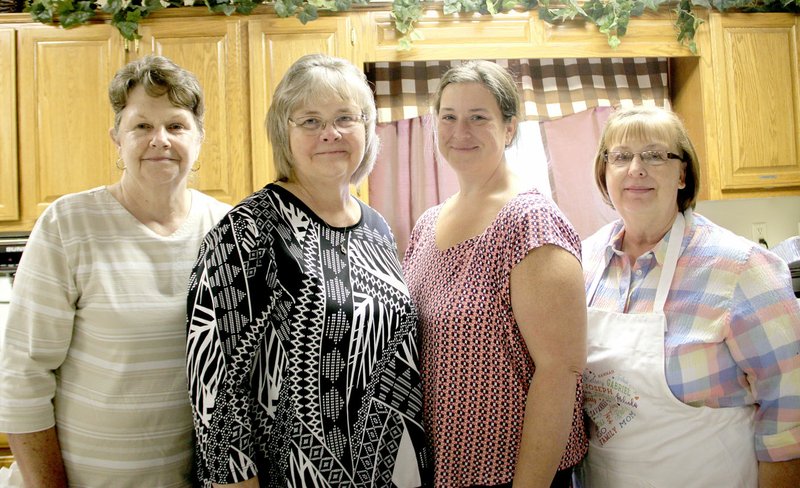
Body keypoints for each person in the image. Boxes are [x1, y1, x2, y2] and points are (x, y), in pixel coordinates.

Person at [186, 53, 431, 488]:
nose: (331, 134)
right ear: (285, 131)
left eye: (345, 118)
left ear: (368, 128)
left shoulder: (377, 227)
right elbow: (216, 393)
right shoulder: (248, 232)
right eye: (311, 121)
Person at [0, 55, 231, 486]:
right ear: (117, 139)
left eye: (176, 126)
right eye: (141, 126)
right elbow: (23, 375)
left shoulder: (226, 230)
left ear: (199, 138)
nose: (159, 139)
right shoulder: (69, 224)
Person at [579, 105, 800, 487]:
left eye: (654, 155)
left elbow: (791, 407)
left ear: (682, 173)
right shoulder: (585, 260)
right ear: (605, 172)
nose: (636, 168)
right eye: (620, 156)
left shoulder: (741, 267)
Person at [402, 60, 588, 487]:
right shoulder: (428, 224)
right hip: (443, 468)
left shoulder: (530, 222)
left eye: (478, 118)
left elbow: (560, 371)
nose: (459, 131)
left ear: (509, 128)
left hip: (513, 474)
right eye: (448, 117)